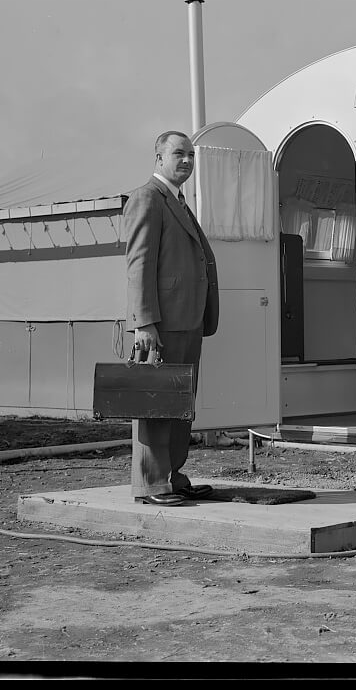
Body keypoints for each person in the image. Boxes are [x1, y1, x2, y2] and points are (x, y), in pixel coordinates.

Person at [124, 131, 219, 506]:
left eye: (191, 156)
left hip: (187, 322)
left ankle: (171, 476)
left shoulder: (178, 201)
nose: (187, 161)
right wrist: (143, 322)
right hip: (161, 325)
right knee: (154, 405)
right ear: (159, 158)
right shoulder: (147, 198)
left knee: (180, 406)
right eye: (179, 154)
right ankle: (150, 483)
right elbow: (139, 264)